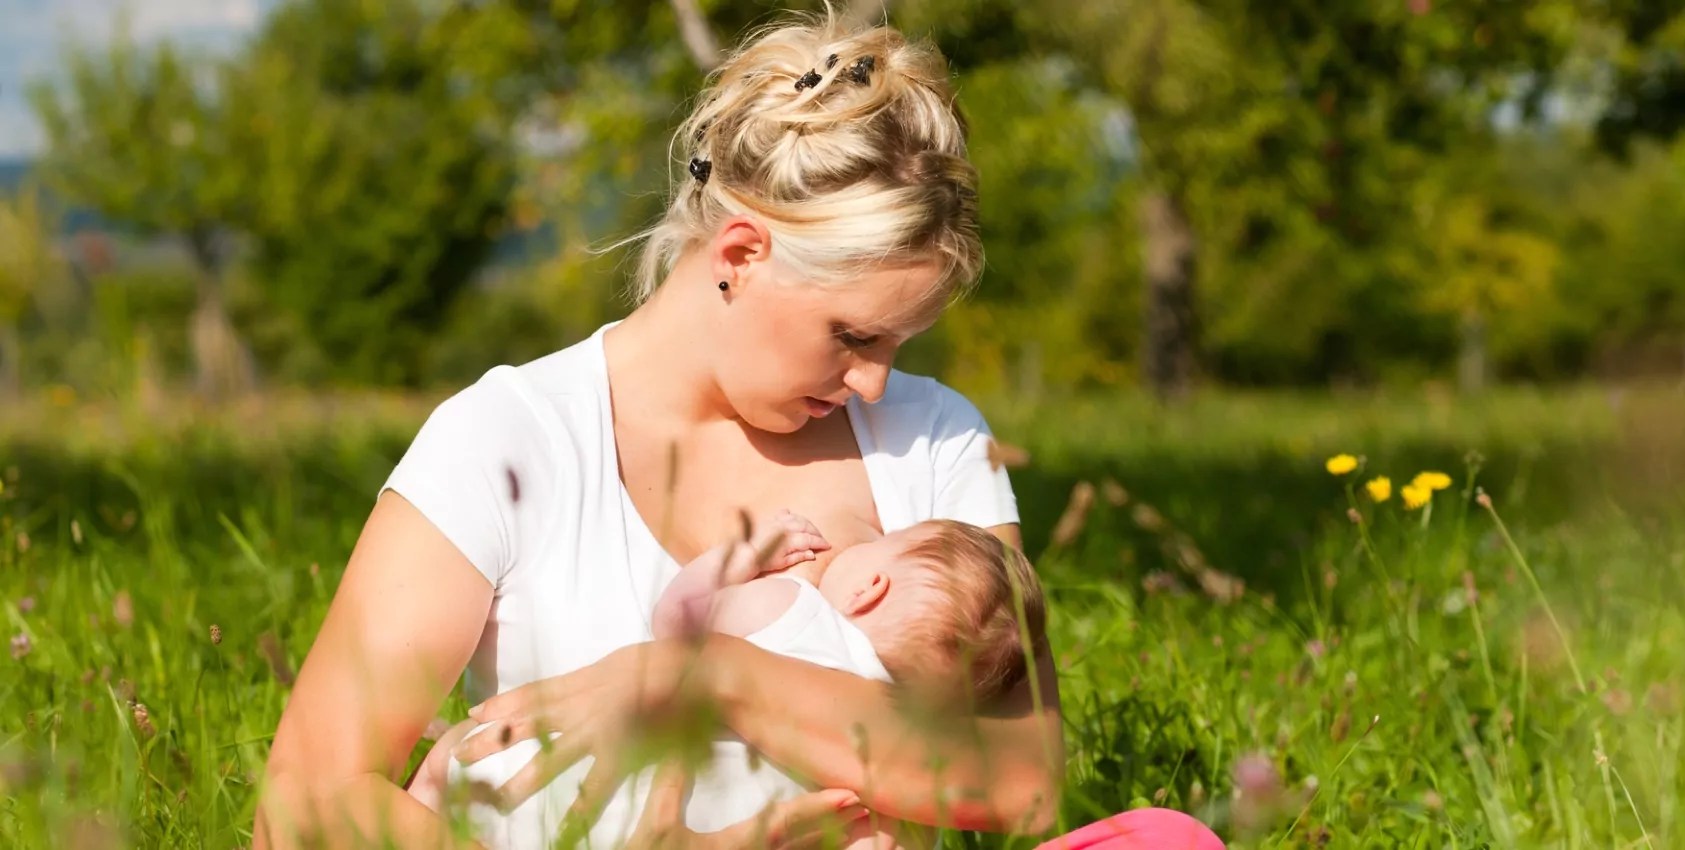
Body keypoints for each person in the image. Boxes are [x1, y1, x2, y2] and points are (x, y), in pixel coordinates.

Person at [254, 9, 1223, 850]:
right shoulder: (510, 440)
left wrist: (708, 678)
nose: (877, 380)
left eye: (898, 341)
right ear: (743, 251)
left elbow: (1019, 777)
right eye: (853, 335)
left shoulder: (932, 440)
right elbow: (305, 804)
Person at [407, 512, 1047, 848]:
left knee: (450, 764)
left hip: (579, 790)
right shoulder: (893, 764)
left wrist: (743, 559)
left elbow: (675, 622)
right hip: (701, 830)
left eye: (889, 538)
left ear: (872, 586)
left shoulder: (794, 608)